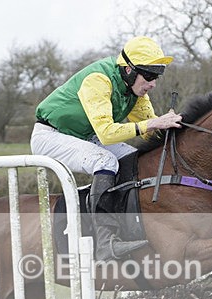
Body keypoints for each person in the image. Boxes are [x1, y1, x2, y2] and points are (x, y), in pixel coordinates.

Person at [31, 36, 182, 262]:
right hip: (50, 136)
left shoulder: (135, 92)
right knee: (105, 161)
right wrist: (153, 123)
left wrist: (175, 125)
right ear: (129, 70)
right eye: (149, 76)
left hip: (84, 136)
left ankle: (128, 225)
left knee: (133, 159)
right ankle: (104, 241)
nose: (153, 84)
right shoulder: (98, 79)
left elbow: (151, 132)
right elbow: (107, 133)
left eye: (156, 77)